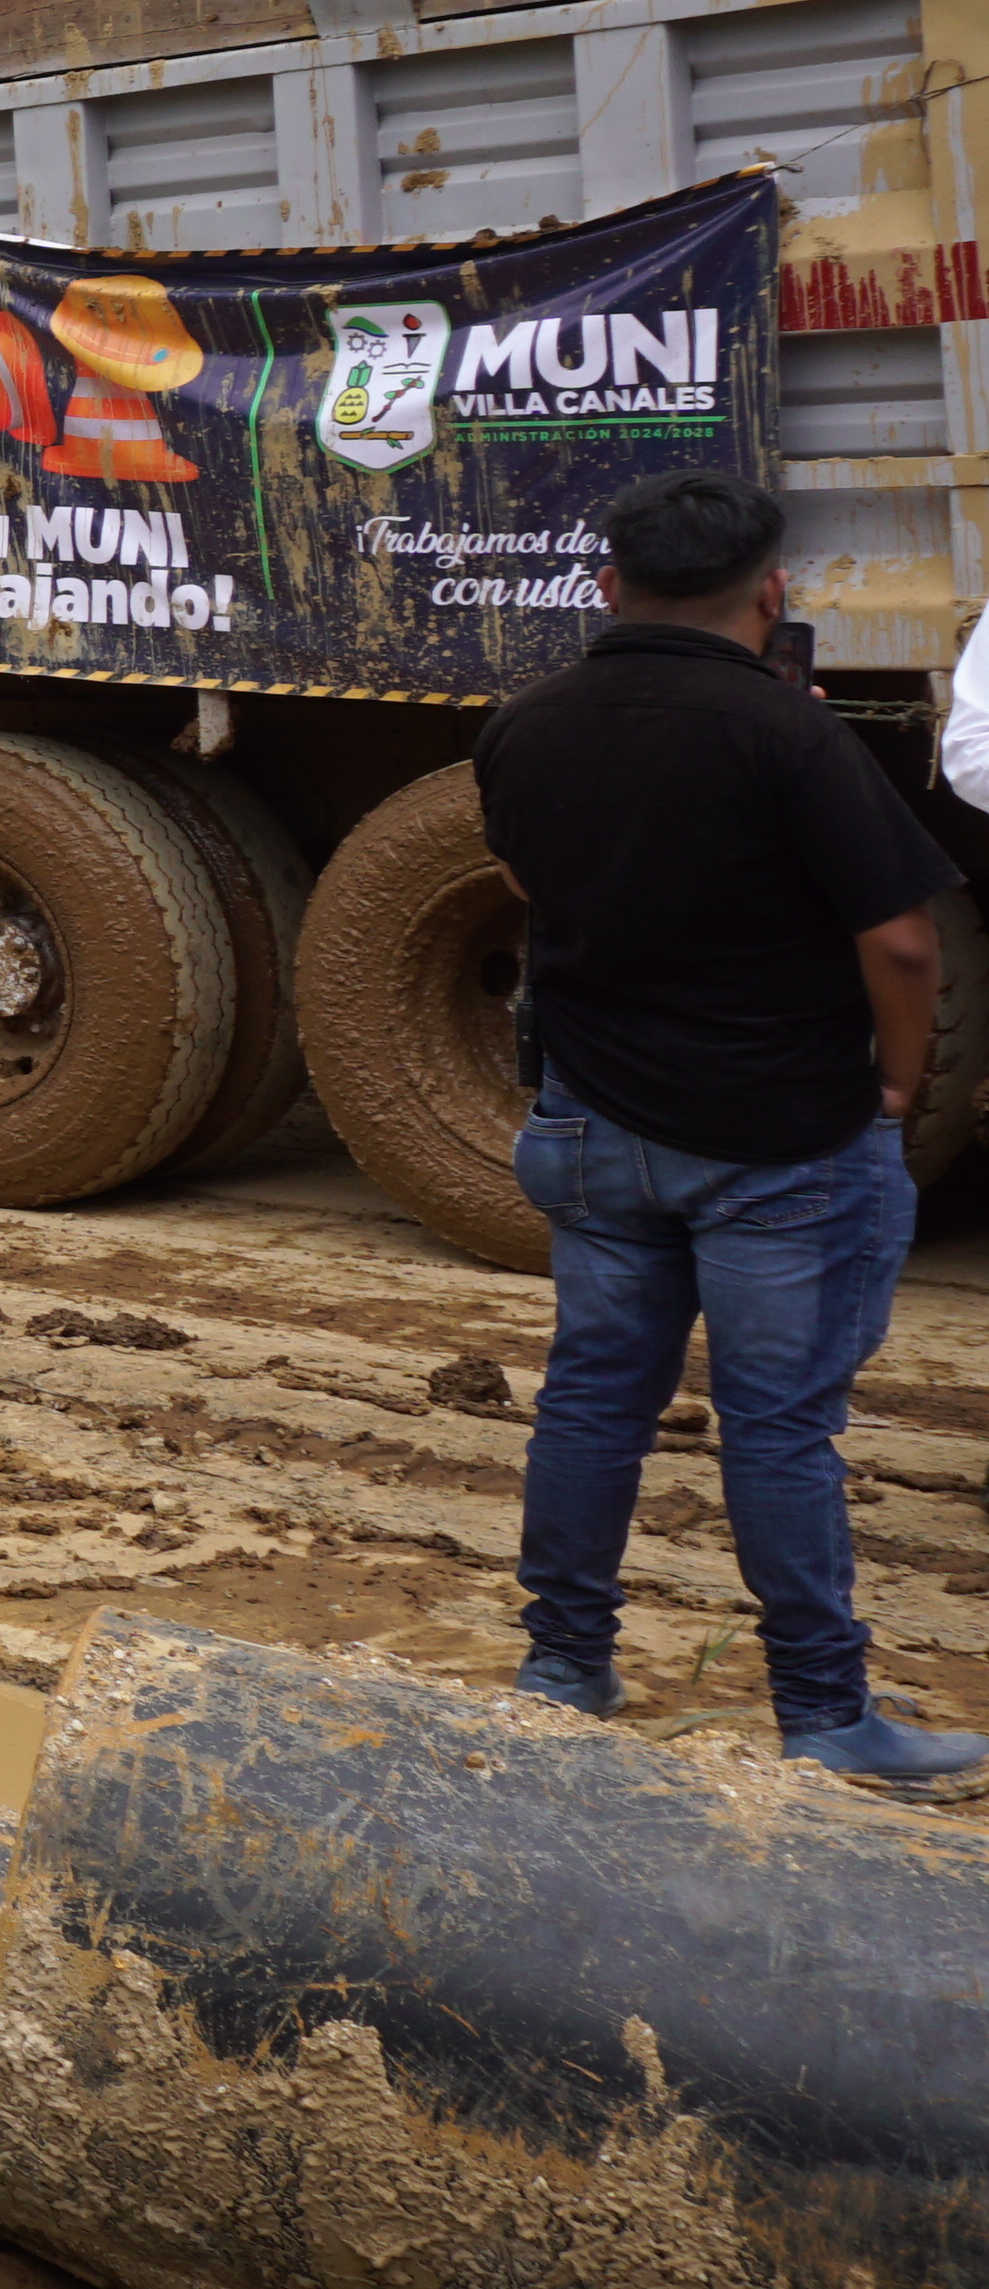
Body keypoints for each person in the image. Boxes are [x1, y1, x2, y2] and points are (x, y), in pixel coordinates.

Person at [470, 468, 983, 1798]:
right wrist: (893, 1093)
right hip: (781, 1145)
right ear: (773, 593)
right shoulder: (791, 737)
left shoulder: (523, 727)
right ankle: (825, 1717)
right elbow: (904, 942)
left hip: (590, 1121)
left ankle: (562, 1669)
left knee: (592, 1399)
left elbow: (530, 879)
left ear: (605, 589)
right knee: (778, 1428)